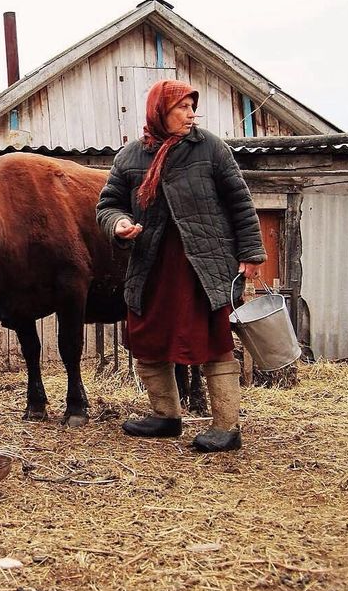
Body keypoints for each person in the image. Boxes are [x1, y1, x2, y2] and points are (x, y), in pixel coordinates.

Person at [96, 80, 266, 452]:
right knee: (148, 340)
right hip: (152, 265)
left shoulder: (209, 148)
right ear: (160, 112)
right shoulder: (130, 156)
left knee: (213, 340)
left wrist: (251, 252)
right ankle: (165, 417)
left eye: (193, 107)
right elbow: (107, 204)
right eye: (182, 108)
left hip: (201, 266)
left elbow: (239, 200)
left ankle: (226, 427)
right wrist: (118, 224)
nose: (191, 115)